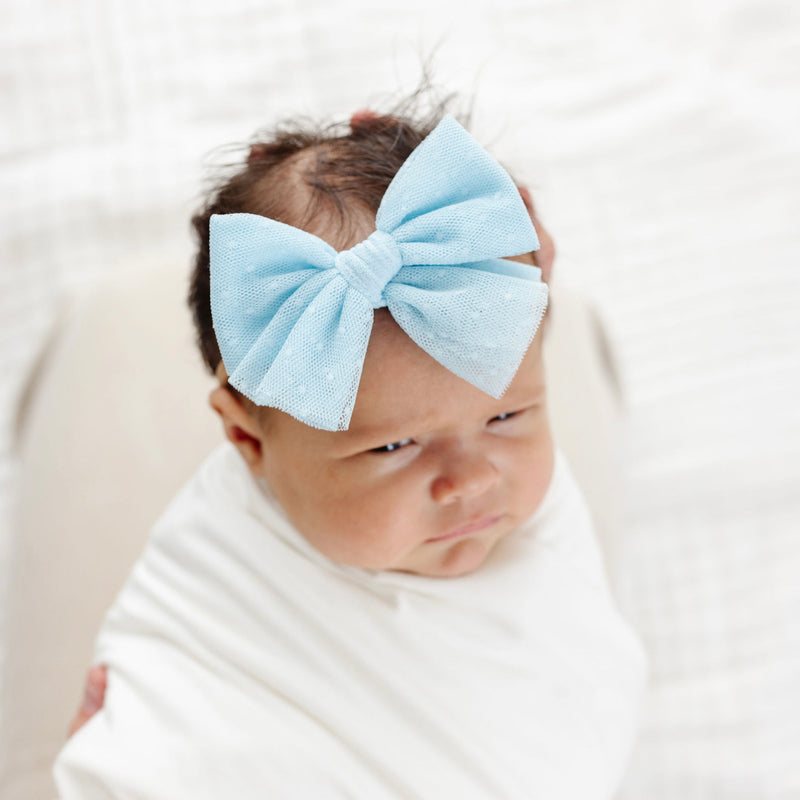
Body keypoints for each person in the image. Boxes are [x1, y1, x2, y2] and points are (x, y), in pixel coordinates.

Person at [54, 101, 647, 799]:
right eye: (394, 445)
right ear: (247, 437)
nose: (469, 480)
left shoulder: (500, 388)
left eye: (508, 416)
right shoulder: (218, 600)